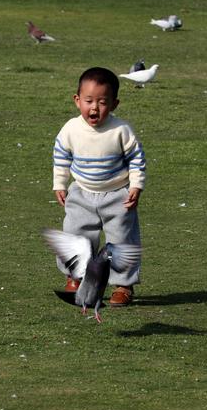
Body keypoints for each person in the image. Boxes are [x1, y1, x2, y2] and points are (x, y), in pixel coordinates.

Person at [52, 67, 146, 306]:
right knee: (75, 236)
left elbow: (136, 159)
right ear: (77, 100)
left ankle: (123, 285)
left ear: (114, 104)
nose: (94, 108)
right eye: (89, 101)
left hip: (118, 195)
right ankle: (75, 277)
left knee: (121, 241)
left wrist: (136, 185)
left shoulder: (121, 130)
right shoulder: (71, 129)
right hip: (81, 192)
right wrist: (60, 184)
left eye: (102, 102)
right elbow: (61, 157)